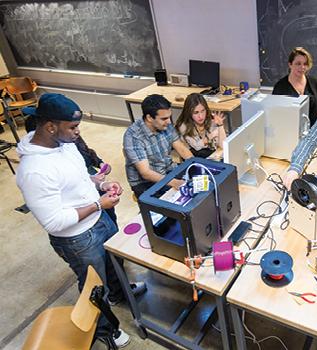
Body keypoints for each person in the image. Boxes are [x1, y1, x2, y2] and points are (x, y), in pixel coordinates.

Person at [16, 93, 145, 347]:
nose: (78, 132)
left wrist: (102, 184)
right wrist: (99, 204)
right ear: (51, 126)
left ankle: (120, 294)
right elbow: (53, 222)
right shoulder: (34, 171)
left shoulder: (63, 145)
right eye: (73, 127)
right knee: (95, 289)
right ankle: (106, 330)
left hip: (99, 219)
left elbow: (80, 179)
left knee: (113, 265)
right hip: (78, 239)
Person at [123, 94, 194, 198]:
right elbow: (146, 173)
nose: (169, 121)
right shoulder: (134, 137)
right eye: (164, 118)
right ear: (149, 118)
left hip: (167, 170)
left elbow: (183, 150)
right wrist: (175, 183)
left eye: (169, 117)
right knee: (180, 201)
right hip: (145, 183)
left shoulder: (165, 125)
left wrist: (197, 166)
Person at [272, 47, 317, 126]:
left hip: (312, 133)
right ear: (290, 64)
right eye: (298, 63)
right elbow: (275, 114)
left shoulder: (313, 83)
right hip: (289, 132)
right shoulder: (280, 87)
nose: (302, 67)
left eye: (305, 64)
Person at [175, 93, 226, 158]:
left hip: (210, 156)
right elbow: (197, 146)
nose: (200, 116)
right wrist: (211, 136)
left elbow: (223, 146)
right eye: (196, 112)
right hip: (194, 159)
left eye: (202, 111)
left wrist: (220, 126)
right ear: (189, 113)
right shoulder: (184, 126)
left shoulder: (210, 119)